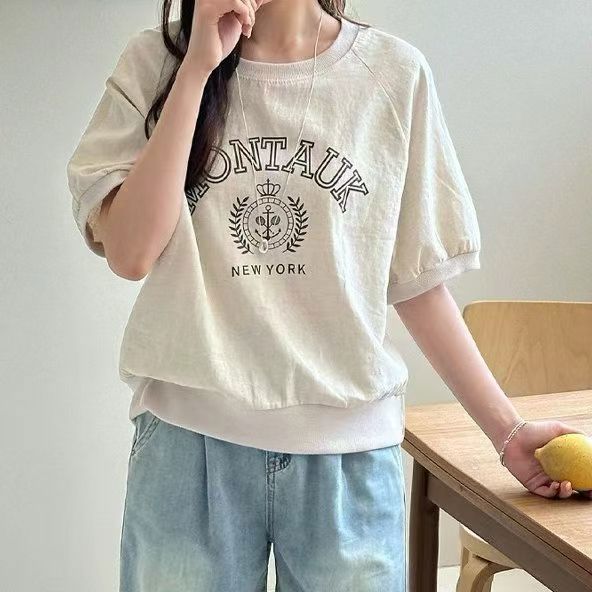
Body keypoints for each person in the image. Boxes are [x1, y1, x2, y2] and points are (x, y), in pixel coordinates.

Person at [66, 0, 592, 590]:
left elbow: (417, 285)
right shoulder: (156, 61)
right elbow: (130, 252)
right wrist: (196, 70)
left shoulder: (392, 74)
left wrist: (508, 432)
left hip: (348, 461)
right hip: (188, 451)